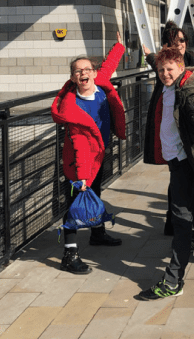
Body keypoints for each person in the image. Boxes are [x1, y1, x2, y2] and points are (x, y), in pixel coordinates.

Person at [136, 47, 194, 300]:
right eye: (161, 70)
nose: (165, 74)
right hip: (177, 161)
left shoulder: (188, 89)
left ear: (182, 67)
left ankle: (173, 279)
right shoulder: (166, 84)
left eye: (170, 69)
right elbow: (158, 61)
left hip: (186, 164)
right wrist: (150, 55)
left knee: (181, 219)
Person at [51, 31, 126, 274]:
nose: (83, 73)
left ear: (93, 73)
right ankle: (69, 254)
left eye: (87, 69)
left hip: (99, 155)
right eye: (77, 71)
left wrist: (120, 46)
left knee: (96, 192)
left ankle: (97, 233)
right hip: (79, 164)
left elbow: (108, 66)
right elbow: (79, 144)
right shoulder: (72, 107)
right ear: (72, 78)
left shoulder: (101, 88)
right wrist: (81, 177)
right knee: (75, 205)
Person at [144, 19, 194, 235]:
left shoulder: (188, 60)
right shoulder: (165, 66)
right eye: (174, 41)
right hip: (173, 139)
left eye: (182, 40)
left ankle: (184, 233)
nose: (179, 44)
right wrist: (149, 55)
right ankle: (192, 231)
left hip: (188, 136)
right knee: (184, 186)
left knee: (185, 188)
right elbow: (158, 63)